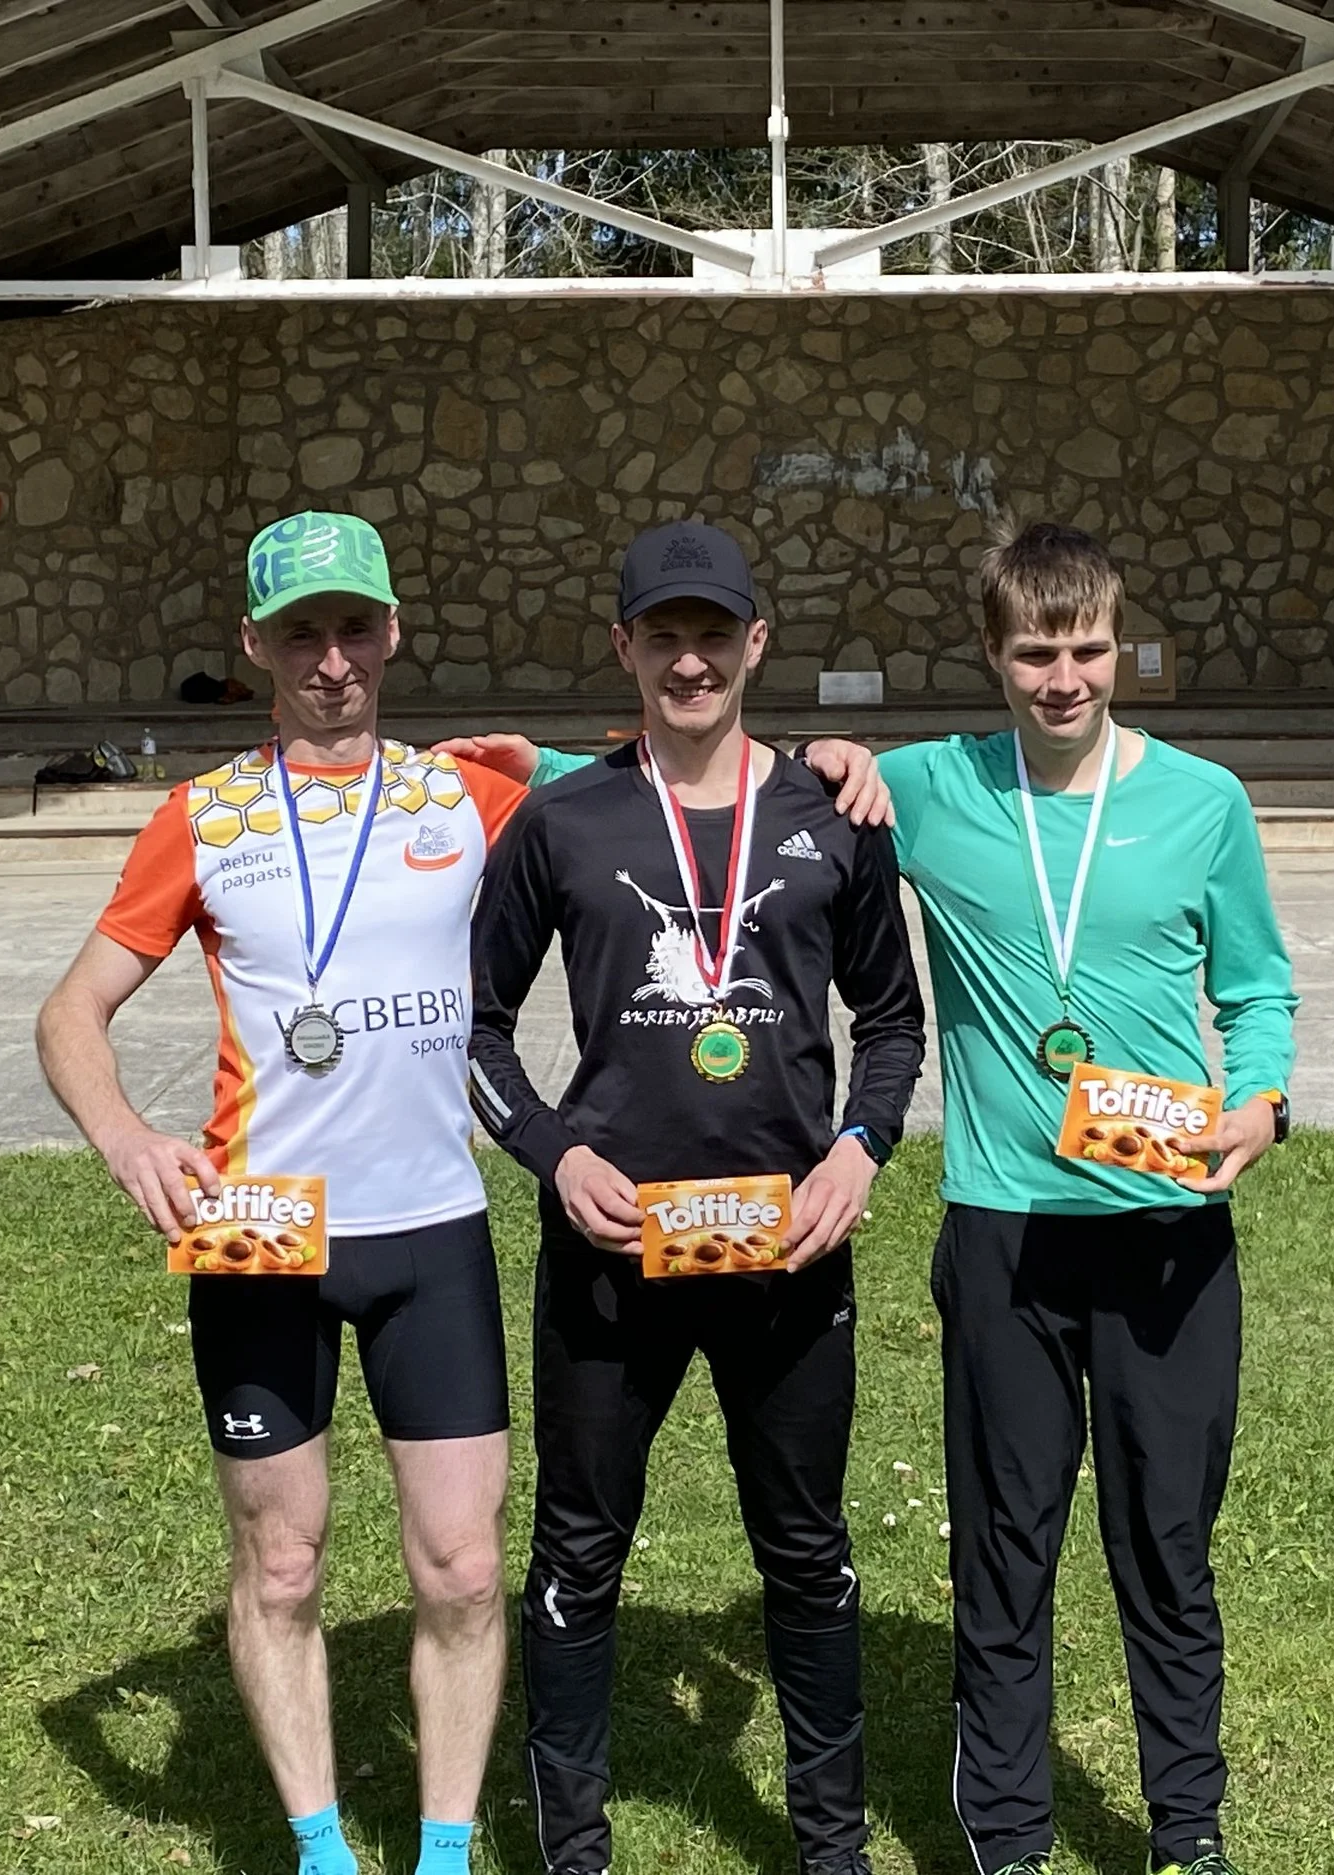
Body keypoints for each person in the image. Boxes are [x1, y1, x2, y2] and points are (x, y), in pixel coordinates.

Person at [476, 521, 1297, 1875]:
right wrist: (554, 773)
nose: (1064, 678)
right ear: (993, 656)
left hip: (1139, 1227)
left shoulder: (1193, 801)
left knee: (1158, 1547)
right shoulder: (921, 785)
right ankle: (998, 1839)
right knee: (993, 1553)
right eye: (1035, 654)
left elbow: (1246, 989)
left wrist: (1258, 1097)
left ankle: (1177, 1830)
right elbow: (692, 799)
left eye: (1088, 651)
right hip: (972, 1229)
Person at [35, 511, 527, 1875]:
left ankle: (441, 1851)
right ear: (254, 643)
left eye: (354, 627)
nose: (332, 660)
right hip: (261, 1237)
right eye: (301, 632)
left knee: (464, 1567)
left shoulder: (465, 798)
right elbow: (71, 1013)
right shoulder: (202, 817)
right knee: (283, 1566)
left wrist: (834, 764)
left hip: (430, 1228)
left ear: (393, 631)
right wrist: (128, 1139)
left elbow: (662, 797)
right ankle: (320, 1848)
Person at [464, 519, 928, 1875]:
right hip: (615, 1250)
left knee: (806, 1548)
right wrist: (554, 1153)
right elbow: (474, 1028)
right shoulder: (566, 821)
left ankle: (831, 1849)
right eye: (662, 635)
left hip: (789, 1249)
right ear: (624, 647)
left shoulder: (833, 816)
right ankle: (573, 1851)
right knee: (579, 1551)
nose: (689, 661)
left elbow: (893, 1021)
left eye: (713, 634)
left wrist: (859, 1148)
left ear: (756, 643)